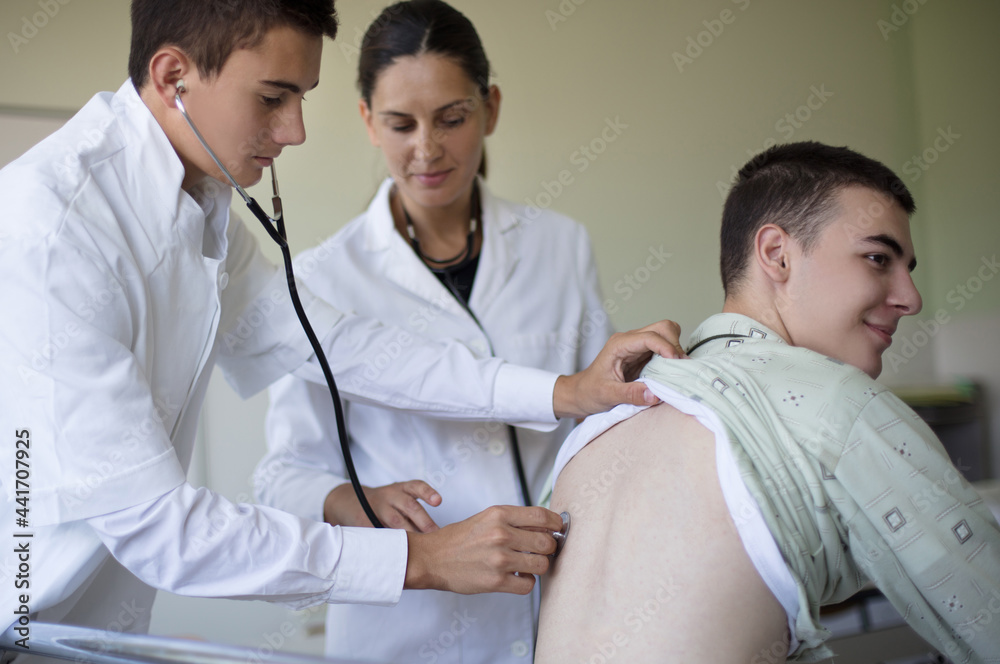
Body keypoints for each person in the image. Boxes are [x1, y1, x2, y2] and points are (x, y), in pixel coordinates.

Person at [0, 0, 683, 646]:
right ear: (173, 76)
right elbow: (162, 530)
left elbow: (343, 346)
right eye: (272, 98)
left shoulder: (199, 201)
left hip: (93, 630)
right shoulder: (53, 231)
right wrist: (418, 558)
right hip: (27, 624)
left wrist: (565, 392)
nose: (294, 130)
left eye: (302, 97)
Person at [535, 142, 1000, 663]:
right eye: (877, 259)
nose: (910, 297)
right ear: (777, 254)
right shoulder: (837, 401)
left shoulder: (604, 423)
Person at [253, 2, 614, 661]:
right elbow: (282, 477)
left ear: (491, 108)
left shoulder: (561, 246)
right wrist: (350, 498)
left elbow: (597, 429)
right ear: (367, 121)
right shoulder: (323, 279)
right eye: (400, 123)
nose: (427, 149)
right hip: (406, 628)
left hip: (559, 611)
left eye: (452, 118)